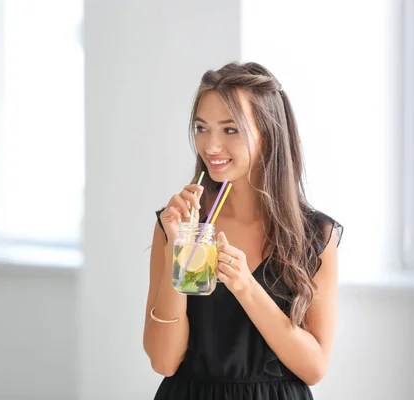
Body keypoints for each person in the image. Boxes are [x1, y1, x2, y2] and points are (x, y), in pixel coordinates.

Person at [143, 62, 343, 400]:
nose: (211, 146)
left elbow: (314, 368)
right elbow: (163, 361)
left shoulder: (315, 236)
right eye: (201, 128)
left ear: (266, 135)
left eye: (230, 130)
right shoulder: (176, 225)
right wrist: (177, 251)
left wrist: (245, 287)